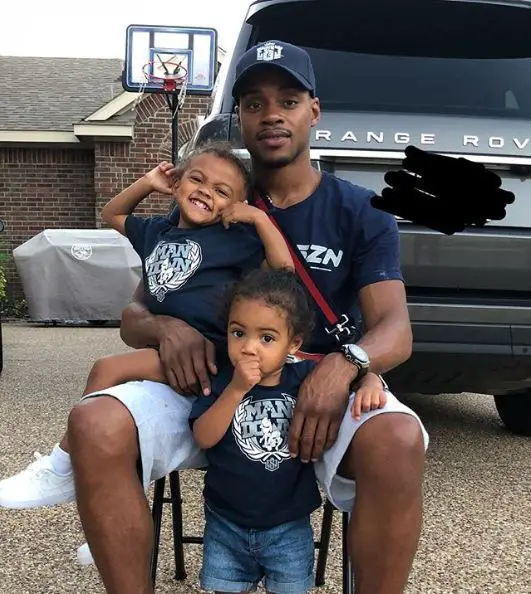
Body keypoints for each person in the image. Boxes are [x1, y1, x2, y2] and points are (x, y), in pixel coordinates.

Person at [7, 41, 429, 594]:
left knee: (397, 438)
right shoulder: (208, 198)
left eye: (288, 99)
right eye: (254, 103)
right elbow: (137, 311)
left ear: (314, 110)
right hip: (206, 383)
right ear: (240, 118)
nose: (271, 113)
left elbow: (395, 331)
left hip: (312, 386)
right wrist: (165, 328)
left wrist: (345, 365)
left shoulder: (357, 211)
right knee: (95, 422)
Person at [0, 142, 297, 507]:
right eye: (197, 180)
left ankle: (61, 468)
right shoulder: (156, 231)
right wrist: (148, 182)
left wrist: (258, 218)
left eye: (222, 192)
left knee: (108, 368)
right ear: (177, 184)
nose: (205, 191)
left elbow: (284, 272)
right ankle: (113, 509)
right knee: (114, 413)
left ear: (233, 206)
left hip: (210, 354)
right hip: (165, 350)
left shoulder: (234, 240)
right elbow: (113, 213)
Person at [191, 267, 386, 594]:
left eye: (266, 338)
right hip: (225, 523)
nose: (249, 348)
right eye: (238, 333)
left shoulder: (308, 378)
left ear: (293, 344)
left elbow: (355, 374)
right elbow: (203, 437)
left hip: (289, 525)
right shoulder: (222, 380)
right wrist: (237, 390)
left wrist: (370, 380)